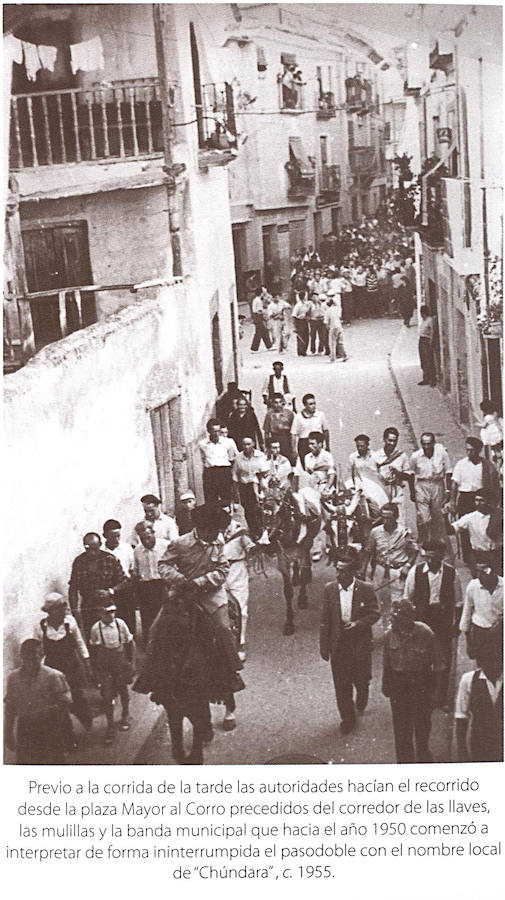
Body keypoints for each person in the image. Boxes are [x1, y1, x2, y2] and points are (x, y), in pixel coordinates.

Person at [158, 502, 242, 732]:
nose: (215, 535)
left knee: (223, 630)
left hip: (211, 596)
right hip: (184, 594)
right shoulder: (181, 543)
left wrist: (201, 582)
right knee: (158, 629)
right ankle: (153, 678)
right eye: (211, 531)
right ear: (201, 528)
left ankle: (233, 669)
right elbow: (163, 565)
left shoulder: (218, 542)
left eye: (217, 532)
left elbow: (223, 570)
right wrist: (180, 581)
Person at [320, 549, 380, 734]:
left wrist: (359, 624)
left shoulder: (366, 589)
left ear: (353, 572)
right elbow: (325, 619)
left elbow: (374, 613)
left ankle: (362, 693)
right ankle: (347, 718)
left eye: (343, 571)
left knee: (361, 679)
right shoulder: (329, 589)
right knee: (341, 684)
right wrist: (324, 646)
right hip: (339, 644)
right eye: (337, 570)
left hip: (359, 642)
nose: (339, 574)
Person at [403, 540, 462, 709]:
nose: (430, 561)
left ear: (442, 556)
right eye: (427, 557)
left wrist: (456, 625)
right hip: (422, 619)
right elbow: (407, 598)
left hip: (442, 620)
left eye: (433, 558)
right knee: (422, 658)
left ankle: (441, 698)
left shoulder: (452, 573)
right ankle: (424, 695)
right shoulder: (416, 572)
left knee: (443, 660)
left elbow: (458, 602)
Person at [382, 600, 436, 763]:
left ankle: (423, 752)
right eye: (393, 617)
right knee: (401, 726)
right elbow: (387, 662)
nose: (393, 621)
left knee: (422, 722)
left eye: (397, 617)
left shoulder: (425, 633)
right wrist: (385, 683)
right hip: (399, 684)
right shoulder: (389, 635)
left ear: (409, 617)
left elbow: (436, 663)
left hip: (420, 683)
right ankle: (405, 761)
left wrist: (433, 691)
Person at [4, 639, 72, 764]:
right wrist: (7, 732)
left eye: (34, 659)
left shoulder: (53, 676)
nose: (30, 663)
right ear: (21, 657)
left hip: (49, 728)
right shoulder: (13, 678)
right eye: (26, 659)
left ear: (42, 656)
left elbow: (65, 704)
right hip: (25, 728)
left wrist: (60, 730)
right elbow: (10, 707)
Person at [34, 593, 93, 734]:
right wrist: (39, 671)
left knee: (76, 696)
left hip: (71, 666)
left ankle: (87, 722)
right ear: (50, 612)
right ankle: (67, 733)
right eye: (59, 609)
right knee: (58, 701)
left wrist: (87, 663)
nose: (63, 611)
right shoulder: (41, 627)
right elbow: (39, 650)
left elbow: (80, 643)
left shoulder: (70, 623)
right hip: (53, 668)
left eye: (63, 608)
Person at [89, 602, 135, 745]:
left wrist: (132, 663)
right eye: (107, 612)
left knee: (123, 689)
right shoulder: (96, 628)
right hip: (105, 664)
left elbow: (130, 643)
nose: (111, 615)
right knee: (107, 694)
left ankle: (126, 714)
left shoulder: (120, 624)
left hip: (119, 661)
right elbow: (94, 650)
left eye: (113, 611)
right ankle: (110, 725)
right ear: (99, 614)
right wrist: (95, 670)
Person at [68, 532, 128, 640]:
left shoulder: (110, 559)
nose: (92, 553)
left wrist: (110, 591)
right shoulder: (79, 562)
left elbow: (124, 581)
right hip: (88, 606)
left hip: (108, 605)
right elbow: (73, 588)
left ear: (100, 544)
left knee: (111, 637)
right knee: (91, 638)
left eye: (95, 549)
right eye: (88, 549)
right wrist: (75, 611)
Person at [450, 437, 501, 563]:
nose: (468, 453)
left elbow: (494, 485)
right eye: (467, 450)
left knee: (481, 527)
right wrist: (452, 501)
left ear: (478, 450)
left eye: (471, 450)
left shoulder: (487, 466)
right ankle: (468, 558)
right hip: (465, 499)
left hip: (481, 498)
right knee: (465, 527)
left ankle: (484, 555)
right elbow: (454, 484)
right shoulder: (461, 464)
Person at [455, 633, 503, 763]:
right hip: (480, 744)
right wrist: (462, 752)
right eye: (487, 659)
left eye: (496, 659)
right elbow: (461, 716)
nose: (492, 664)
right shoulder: (468, 680)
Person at [363, 503, 418, 610]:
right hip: (380, 570)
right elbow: (368, 551)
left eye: (389, 518)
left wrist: (407, 566)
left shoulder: (404, 532)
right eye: (383, 517)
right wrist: (364, 570)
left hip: (398, 571)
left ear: (396, 517)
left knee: (398, 602)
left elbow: (414, 551)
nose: (386, 521)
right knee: (378, 601)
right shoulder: (375, 532)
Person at [220, 508, 255, 661]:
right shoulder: (213, 530)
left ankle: (240, 643)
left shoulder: (240, 531)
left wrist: (256, 547)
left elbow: (251, 548)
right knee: (220, 608)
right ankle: (225, 644)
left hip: (237, 569)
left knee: (241, 608)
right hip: (219, 570)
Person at [410, 432, 452, 544]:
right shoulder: (415, 456)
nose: (426, 447)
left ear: (434, 443)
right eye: (424, 444)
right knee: (424, 517)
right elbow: (411, 474)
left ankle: (437, 541)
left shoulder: (442, 454)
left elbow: (448, 472)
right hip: (421, 486)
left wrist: (448, 490)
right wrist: (412, 492)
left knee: (437, 515)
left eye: (429, 444)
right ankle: (425, 540)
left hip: (437, 485)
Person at [459, 555, 503, 661]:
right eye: (477, 572)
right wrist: (469, 642)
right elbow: (467, 614)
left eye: (484, 571)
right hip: (481, 633)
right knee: (483, 664)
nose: (480, 575)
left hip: (501, 633)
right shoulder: (473, 586)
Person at [449, 489, 503, 574]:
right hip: (478, 556)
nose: (477, 503)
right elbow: (451, 530)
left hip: (497, 555)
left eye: (481, 501)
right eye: (476, 500)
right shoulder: (470, 517)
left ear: (489, 502)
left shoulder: (499, 516)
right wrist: (443, 517)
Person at [133, 521, 168, 647]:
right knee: (147, 618)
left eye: (148, 537)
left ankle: (165, 645)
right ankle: (150, 647)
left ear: (153, 533)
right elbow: (136, 572)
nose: (146, 542)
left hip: (163, 585)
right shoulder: (137, 550)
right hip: (146, 587)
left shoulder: (166, 546)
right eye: (142, 539)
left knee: (165, 617)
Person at [372, 427, 413, 526]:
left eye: (395, 441)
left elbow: (409, 475)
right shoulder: (376, 456)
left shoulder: (401, 456)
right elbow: (372, 477)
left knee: (400, 519)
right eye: (390, 440)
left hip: (396, 490)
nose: (392, 443)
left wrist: (399, 473)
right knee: (382, 518)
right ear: (384, 439)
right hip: (382, 491)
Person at [102, 518, 136, 637]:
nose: (116, 540)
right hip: (109, 590)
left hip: (125, 589)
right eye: (112, 537)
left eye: (118, 536)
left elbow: (132, 570)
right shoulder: (101, 551)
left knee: (128, 621)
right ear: (105, 536)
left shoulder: (127, 548)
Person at [232, 437, 269, 540]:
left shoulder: (260, 456)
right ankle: (254, 531)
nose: (246, 447)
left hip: (258, 485)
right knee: (248, 510)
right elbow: (235, 475)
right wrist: (235, 494)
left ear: (253, 444)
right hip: (245, 486)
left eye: (249, 444)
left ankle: (263, 532)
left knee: (259, 509)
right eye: (244, 444)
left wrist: (261, 480)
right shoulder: (238, 457)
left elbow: (266, 472)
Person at [199, 418, 236, 508]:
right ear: (208, 431)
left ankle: (227, 520)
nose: (216, 434)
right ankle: (213, 520)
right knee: (210, 499)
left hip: (224, 471)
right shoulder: (202, 444)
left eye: (218, 431)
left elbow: (232, 458)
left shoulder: (228, 442)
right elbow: (203, 458)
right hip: (210, 472)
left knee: (226, 498)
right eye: (213, 431)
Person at [291, 393, 330, 469]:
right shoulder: (298, 417)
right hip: (304, 444)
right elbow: (293, 434)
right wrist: (293, 450)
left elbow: (326, 431)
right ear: (305, 405)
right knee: (307, 468)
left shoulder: (320, 415)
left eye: (314, 403)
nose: (313, 406)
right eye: (311, 404)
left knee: (319, 465)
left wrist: (327, 446)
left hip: (318, 443)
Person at [263, 393, 294, 462]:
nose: (278, 405)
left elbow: (293, 431)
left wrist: (293, 447)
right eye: (276, 402)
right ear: (273, 403)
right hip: (274, 439)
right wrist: (267, 446)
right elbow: (266, 432)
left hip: (286, 439)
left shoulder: (289, 414)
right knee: (275, 460)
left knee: (286, 460)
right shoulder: (269, 414)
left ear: (283, 402)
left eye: (280, 402)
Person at [324, 295, 347, 363]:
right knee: (340, 342)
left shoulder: (327, 311)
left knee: (332, 343)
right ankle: (344, 355)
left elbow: (326, 322)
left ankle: (332, 358)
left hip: (333, 327)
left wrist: (327, 328)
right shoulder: (337, 309)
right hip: (339, 326)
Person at [418, 305, 436, 386]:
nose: (421, 315)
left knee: (428, 360)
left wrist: (431, 342)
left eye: (422, 313)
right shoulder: (423, 320)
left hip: (426, 341)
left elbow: (432, 331)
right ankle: (426, 378)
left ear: (424, 313)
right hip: (421, 340)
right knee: (423, 360)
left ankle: (432, 379)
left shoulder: (430, 320)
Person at [292, 291, 311, 356]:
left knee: (306, 336)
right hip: (299, 321)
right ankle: (300, 352)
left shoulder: (306, 304)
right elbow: (294, 316)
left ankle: (304, 351)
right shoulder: (298, 305)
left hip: (304, 321)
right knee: (300, 337)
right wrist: (294, 326)